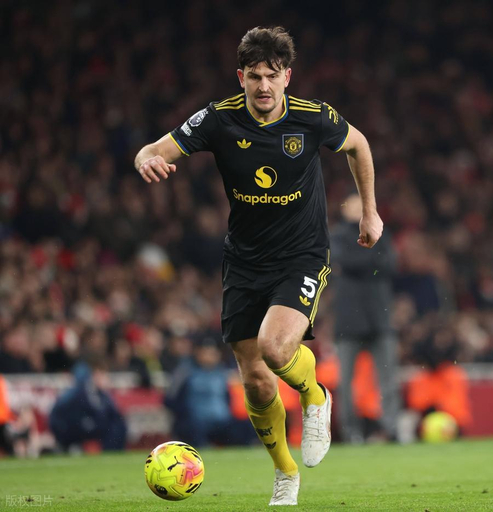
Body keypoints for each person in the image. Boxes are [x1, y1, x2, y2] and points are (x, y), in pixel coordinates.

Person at [134, 26, 383, 506]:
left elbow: (359, 146)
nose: (263, 85)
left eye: (272, 75)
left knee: (275, 347)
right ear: (241, 78)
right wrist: (145, 160)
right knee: (255, 380)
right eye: (254, 76)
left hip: (302, 255)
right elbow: (154, 149)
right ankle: (286, 472)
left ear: (287, 76)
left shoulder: (313, 117)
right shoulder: (218, 119)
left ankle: (315, 396)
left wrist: (369, 212)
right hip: (245, 261)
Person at [331, 193, 400, 443]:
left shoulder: (380, 231)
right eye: (352, 204)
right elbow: (344, 260)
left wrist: (361, 262)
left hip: (379, 317)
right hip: (349, 319)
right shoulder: (338, 235)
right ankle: (351, 433)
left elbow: (390, 264)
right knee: (346, 383)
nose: (357, 209)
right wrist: (372, 258)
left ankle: (391, 430)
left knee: (388, 379)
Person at [165, 335, 256, 447]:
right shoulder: (186, 372)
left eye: (213, 353)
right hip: (195, 421)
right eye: (206, 352)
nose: (210, 356)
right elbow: (170, 399)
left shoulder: (223, 373)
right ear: (197, 352)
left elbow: (228, 398)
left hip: (222, 420)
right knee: (193, 427)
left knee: (245, 425)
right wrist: (185, 414)